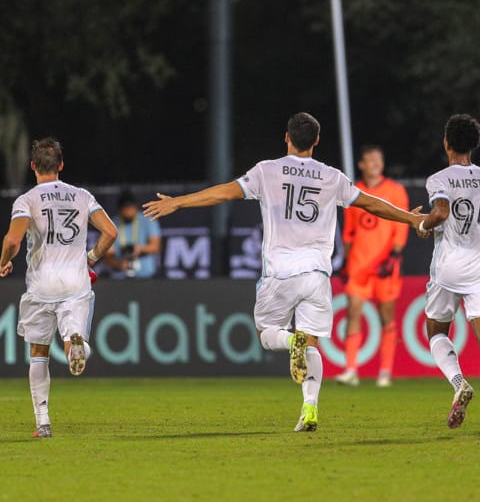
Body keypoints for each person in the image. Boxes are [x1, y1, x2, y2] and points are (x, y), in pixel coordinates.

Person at [143, 113, 424, 432]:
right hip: (317, 274)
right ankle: (310, 408)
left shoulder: (267, 171)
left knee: (267, 335)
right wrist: (410, 219)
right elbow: (371, 204)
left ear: (286, 137)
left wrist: (179, 202)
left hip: (280, 272)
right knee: (312, 343)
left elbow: (223, 193)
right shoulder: (331, 177)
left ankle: (293, 344)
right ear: (317, 141)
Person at [0, 138, 117, 438]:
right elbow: (110, 232)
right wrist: (89, 258)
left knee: (38, 353)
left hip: (42, 284)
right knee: (75, 341)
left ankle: (43, 423)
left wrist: (3, 262)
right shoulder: (82, 195)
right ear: (61, 165)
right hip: (75, 282)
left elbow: (12, 241)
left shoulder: (27, 200)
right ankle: (78, 345)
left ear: (33, 166)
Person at [416, 114, 480, 439]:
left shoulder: (439, 178)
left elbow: (441, 211)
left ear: (446, 143)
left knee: (436, 332)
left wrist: (423, 224)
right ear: (475, 145)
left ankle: (459, 383)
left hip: (449, 265)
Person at [335, 145, 409, 388]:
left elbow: (402, 226)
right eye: (371, 160)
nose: (376, 163)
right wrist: (346, 262)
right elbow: (349, 231)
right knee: (353, 313)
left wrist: (394, 256)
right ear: (362, 165)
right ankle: (351, 370)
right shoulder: (354, 192)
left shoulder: (396, 191)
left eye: (379, 159)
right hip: (359, 264)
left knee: (386, 317)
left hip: (385, 265)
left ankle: (385, 372)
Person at [103, 190, 162, 279]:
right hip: (120, 278)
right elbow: (108, 255)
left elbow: (155, 246)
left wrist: (139, 249)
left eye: (131, 207)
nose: (129, 211)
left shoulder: (148, 220)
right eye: (126, 208)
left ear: (136, 207)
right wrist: (119, 264)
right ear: (120, 210)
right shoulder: (112, 224)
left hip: (146, 276)